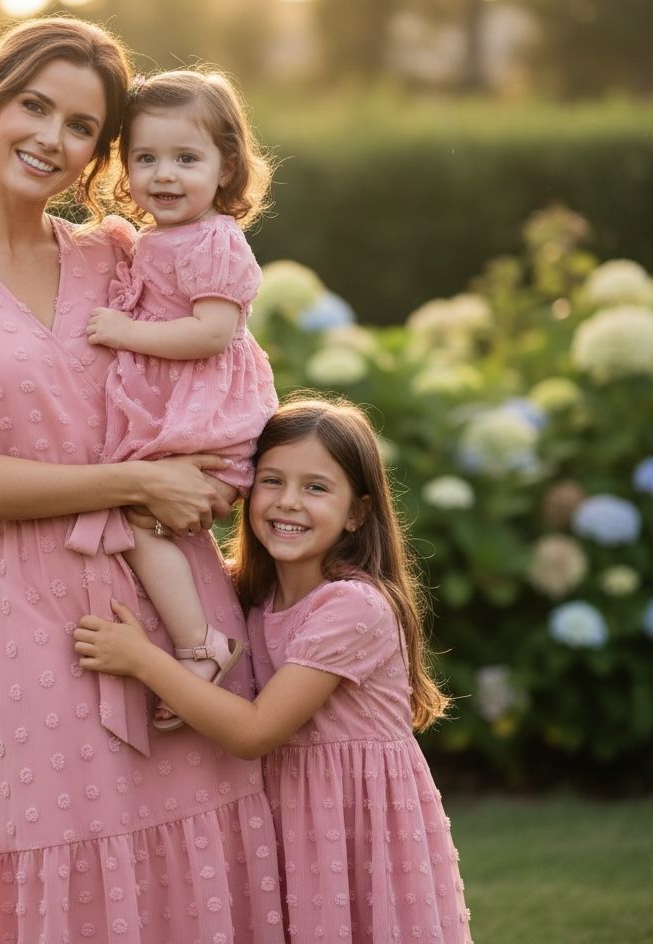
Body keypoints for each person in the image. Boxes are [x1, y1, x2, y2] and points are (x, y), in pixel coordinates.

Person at [0, 17, 285, 944]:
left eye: (82, 126)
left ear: (103, 152)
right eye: (34, 107)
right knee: (56, 858)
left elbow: (216, 373)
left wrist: (213, 474)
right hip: (37, 625)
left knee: (203, 867)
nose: (52, 138)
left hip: (177, 610)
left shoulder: (118, 255)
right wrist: (134, 489)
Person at [72, 394, 473, 943]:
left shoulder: (354, 607)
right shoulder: (245, 593)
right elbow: (138, 554)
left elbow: (256, 732)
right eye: (272, 481)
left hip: (360, 828)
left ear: (357, 512)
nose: (288, 503)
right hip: (290, 821)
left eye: (316, 487)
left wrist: (144, 661)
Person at [72, 69, 278, 731]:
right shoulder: (162, 238)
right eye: (146, 158)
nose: (164, 174)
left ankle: (200, 648)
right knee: (138, 519)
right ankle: (198, 641)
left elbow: (214, 332)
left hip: (206, 415)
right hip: (176, 409)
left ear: (225, 169)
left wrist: (128, 331)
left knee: (138, 519)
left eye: (186, 159)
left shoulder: (218, 241)